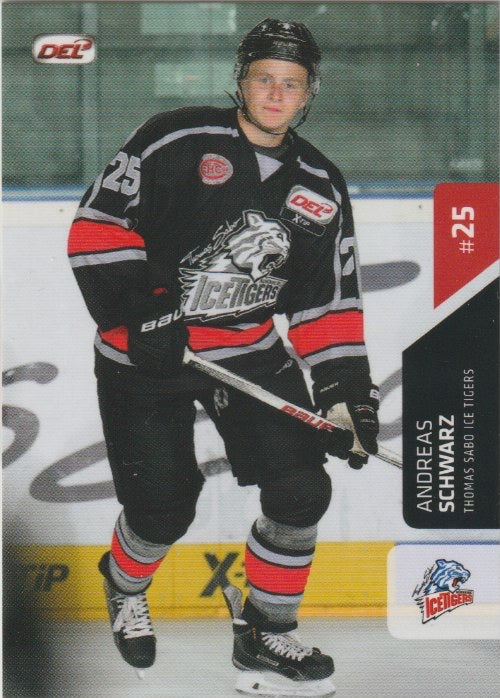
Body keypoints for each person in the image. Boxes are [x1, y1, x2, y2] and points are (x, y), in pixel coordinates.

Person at [68, 18, 379, 698]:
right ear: (240, 81)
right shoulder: (176, 138)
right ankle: (124, 583)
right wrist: (140, 307)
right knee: (162, 510)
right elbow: (98, 227)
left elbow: (327, 303)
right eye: (264, 79)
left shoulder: (320, 184)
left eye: (291, 84)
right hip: (143, 357)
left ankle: (264, 634)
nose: (276, 94)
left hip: (246, 353)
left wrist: (344, 395)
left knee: (302, 490)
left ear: (310, 94)